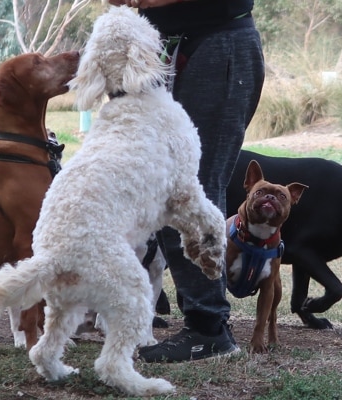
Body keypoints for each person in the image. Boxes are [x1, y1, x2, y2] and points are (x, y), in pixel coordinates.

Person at [107, 0, 265, 362]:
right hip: (160, 44)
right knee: (160, 184)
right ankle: (200, 317)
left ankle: (208, 327)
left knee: (194, 185)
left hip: (219, 41)